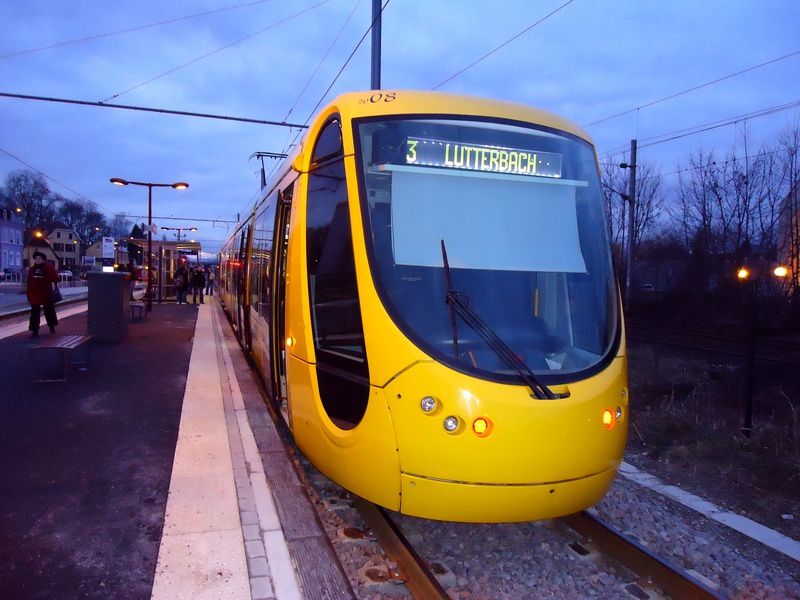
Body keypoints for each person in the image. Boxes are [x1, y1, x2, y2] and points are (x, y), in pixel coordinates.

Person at [26, 251, 59, 337]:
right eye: (36, 258)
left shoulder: (48, 268)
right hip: (35, 293)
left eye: (40, 258)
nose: (38, 260)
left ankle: (52, 326)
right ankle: (34, 330)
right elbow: (29, 282)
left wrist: (48, 271)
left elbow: (55, 278)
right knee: (34, 313)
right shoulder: (32, 270)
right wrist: (28, 294)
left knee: (49, 310)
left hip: (46, 292)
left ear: (43, 260)